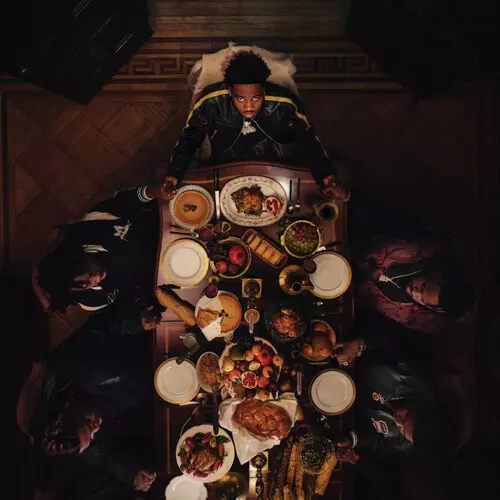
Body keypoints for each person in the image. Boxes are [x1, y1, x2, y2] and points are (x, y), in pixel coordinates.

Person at [162, 50, 349, 201]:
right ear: (230, 90)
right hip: (222, 166)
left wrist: (326, 176)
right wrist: (173, 175)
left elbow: (307, 139)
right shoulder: (210, 101)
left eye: (256, 98)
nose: (249, 106)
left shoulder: (285, 103)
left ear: (264, 90)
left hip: (271, 167)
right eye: (240, 99)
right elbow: (190, 137)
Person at [26, 303, 164, 499]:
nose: (97, 427)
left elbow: (100, 327)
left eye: (88, 423)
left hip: (153, 349)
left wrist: (133, 322)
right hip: (155, 400)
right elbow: (101, 457)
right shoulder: (68, 446)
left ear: (67, 407)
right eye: (92, 436)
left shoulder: (63, 368)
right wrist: (131, 475)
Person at [332, 330, 458, 500]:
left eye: (403, 431)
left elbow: (376, 441)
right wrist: (358, 347)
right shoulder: (412, 374)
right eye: (407, 416)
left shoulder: (404, 445)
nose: (397, 421)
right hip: (341, 360)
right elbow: (384, 336)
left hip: (335, 405)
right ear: (422, 407)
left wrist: (351, 438)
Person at [33, 185, 166, 313]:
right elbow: (130, 301)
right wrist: (144, 308)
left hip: (163, 228)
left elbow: (128, 199)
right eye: (86, 284)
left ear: (75, 253)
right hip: (165, 275)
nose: (96, 276)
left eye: (87, 268)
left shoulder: (93, 223)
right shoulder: (91, 301)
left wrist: (155, 191)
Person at [353, 233, 475, 334]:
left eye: (422, 299)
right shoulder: (416, 251)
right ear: (434, 273)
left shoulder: (413, 317)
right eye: (422, 286)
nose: (414, 292)